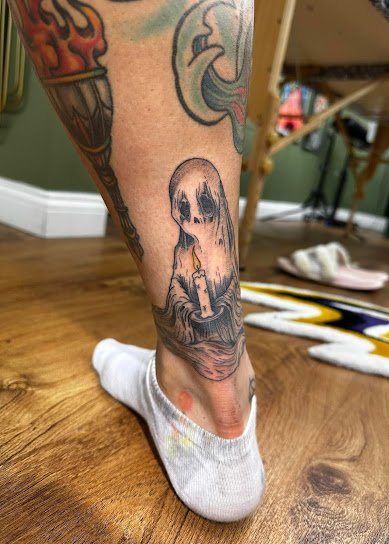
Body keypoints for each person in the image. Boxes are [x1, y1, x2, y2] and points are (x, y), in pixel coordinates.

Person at [9, 0, 264, 521]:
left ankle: (194, 394)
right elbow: (183, 298)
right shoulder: (187, 253)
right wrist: (190, 301)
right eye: (182, 210)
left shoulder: (200, 251)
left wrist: (203, 305)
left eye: (202, 207)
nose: (191, 220)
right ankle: (227, 397)